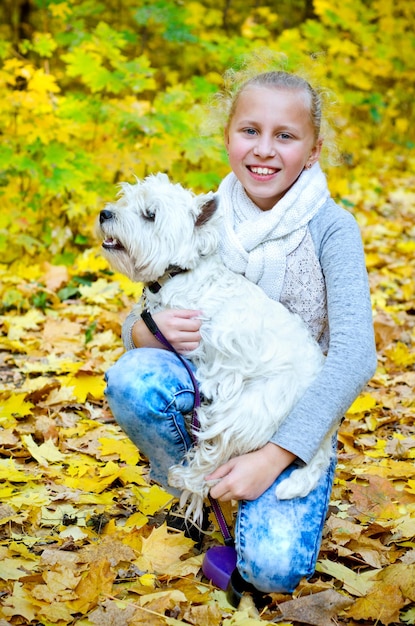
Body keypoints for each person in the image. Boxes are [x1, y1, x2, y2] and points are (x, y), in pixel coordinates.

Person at [104, 64, 377, 598]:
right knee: (135, 378)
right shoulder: (198, 212)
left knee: (272, 572)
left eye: (286, 136)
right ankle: (194, 492)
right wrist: (142, 330)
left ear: (313, 149)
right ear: (228, 135)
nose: (264, 150)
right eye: (250, 131)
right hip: (212, 391)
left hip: (292, 414)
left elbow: (355, 356)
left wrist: (273, 455)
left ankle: (253, 485)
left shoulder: (332, 228)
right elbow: (160, 292)